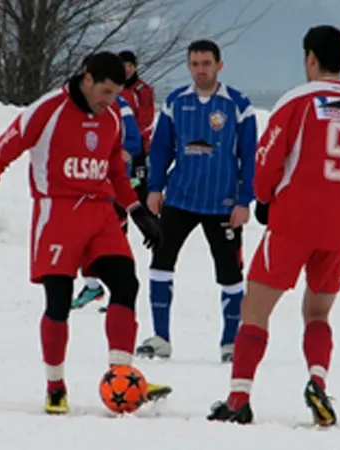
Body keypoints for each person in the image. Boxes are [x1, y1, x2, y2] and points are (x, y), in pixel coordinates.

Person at [206, 25, 340, 426]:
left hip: (293, 222)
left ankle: (238, 398)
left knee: (255, 309)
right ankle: (318, 382)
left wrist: (263, 198)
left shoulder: (298, 101)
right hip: (339, 227)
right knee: (318, 313)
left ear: (310, 58)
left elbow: (268, 156)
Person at [0, 51, 170, 414]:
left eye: (117, 93)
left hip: (101, 214)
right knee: (59, 302)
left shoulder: (112, 116)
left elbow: (115, 171)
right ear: (87, 78)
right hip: (58, 214)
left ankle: (121, 375)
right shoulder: (47, 111)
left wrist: (137, 211)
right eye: (106, 91)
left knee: (126, 283)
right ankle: (55, 387)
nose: (110, 100)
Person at [135, 40, 258, 363]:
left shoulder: (238, 104)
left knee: (230, 273)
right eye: (195, 64)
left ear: (219, 65)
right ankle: (161, 338)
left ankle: (230, 344)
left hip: (223, 202)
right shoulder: (176, 101)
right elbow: (161, 148)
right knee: (160, 262)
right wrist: (154, 188)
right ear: (188, 66)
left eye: (206, 63)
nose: (200, 70)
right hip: (180, 198)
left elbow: (250, 156)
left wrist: (245, 200)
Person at [71, 92, 143, 310]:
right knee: (82, 236)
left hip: (114, 187)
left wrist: (118, 158)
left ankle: (119, 292)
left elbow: (134, 140)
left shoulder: (120, 106)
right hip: (85, 185)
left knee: (114, 241)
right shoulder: (77, 104)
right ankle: (92, 285)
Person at [117, 50, 156, 205]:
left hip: (138, 148)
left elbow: (147, 119)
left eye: (130, 65)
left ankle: (148, 217)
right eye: (123, 65)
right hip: (116, 148)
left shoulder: (142, 89)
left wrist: (133, 138)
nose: (127, 69)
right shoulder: (113, 87)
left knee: (139, 186)